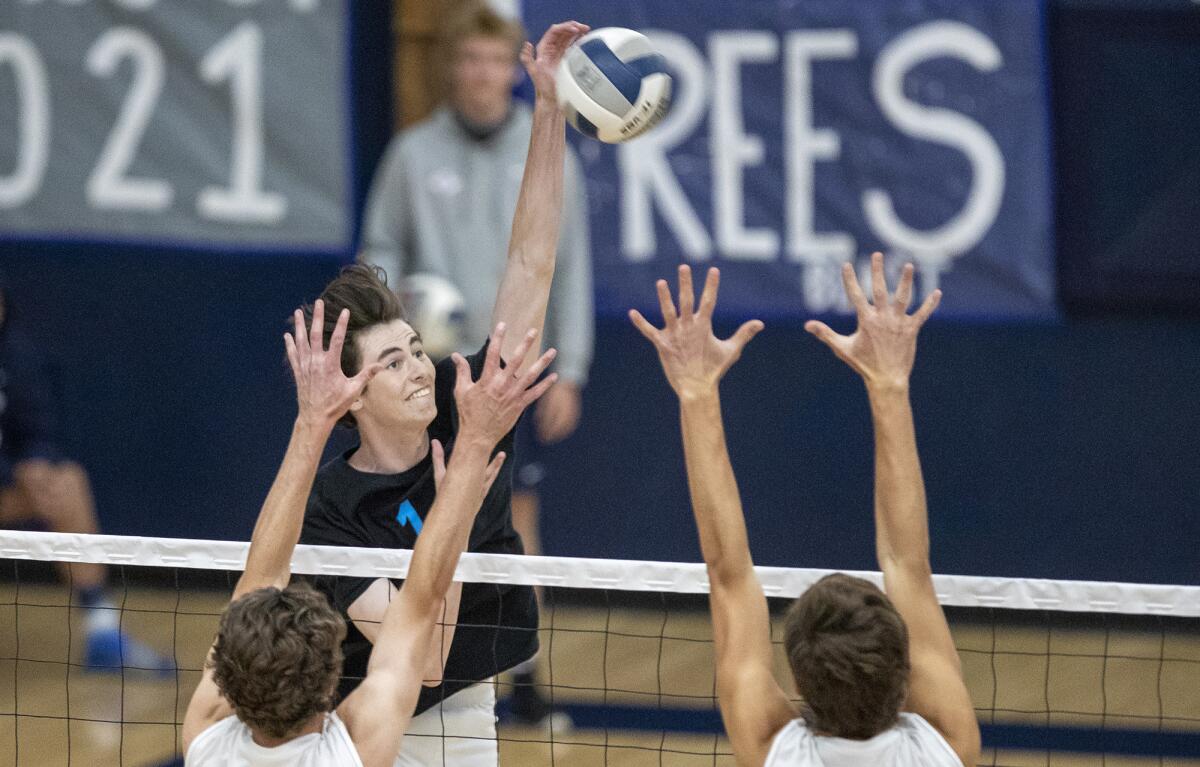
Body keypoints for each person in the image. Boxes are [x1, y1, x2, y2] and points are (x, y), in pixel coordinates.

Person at [299, 19, 588, 765]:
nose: (421, 367)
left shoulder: (470, 409)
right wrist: (461, 479)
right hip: (369, 726)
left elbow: (530, 263)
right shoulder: (333, 508)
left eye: (415, 351)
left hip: (465, 716)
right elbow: (419, 657)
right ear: (355, 391)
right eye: (394, 362)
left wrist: (550, 113)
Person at [630, 256, 980, 767]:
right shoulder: (949, 745)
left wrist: (696, 392)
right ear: (906, 670)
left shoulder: (774, 751)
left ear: (796, 682)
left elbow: (729, 574)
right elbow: (908, 563)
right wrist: (890, 384)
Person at [182, 299, 557, 766]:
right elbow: (420, 619)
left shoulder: (207, 743)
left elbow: (259, 580)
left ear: (226, 683)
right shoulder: (348, 753)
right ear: (327, 692)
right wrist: (475, 449)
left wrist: (311, 422)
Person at [0, 275, 172, 673]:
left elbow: (38, 430)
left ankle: (102, 633)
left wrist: (34, 465)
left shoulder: (18, 357)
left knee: (66, 483)